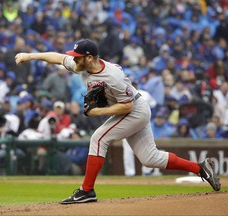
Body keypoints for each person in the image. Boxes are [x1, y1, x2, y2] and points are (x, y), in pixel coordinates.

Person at [15, 38, 221, 204]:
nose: (73, 60)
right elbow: (58, 58)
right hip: (130, 110)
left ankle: (86, 190)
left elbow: (127, 107)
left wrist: (97, 112)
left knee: (98, 138)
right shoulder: (83, 66)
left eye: (77, 57)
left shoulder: (112, 75)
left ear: (89, 58)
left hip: (134, 110)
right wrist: (30, 56)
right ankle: (200, 168)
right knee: (150, 158)